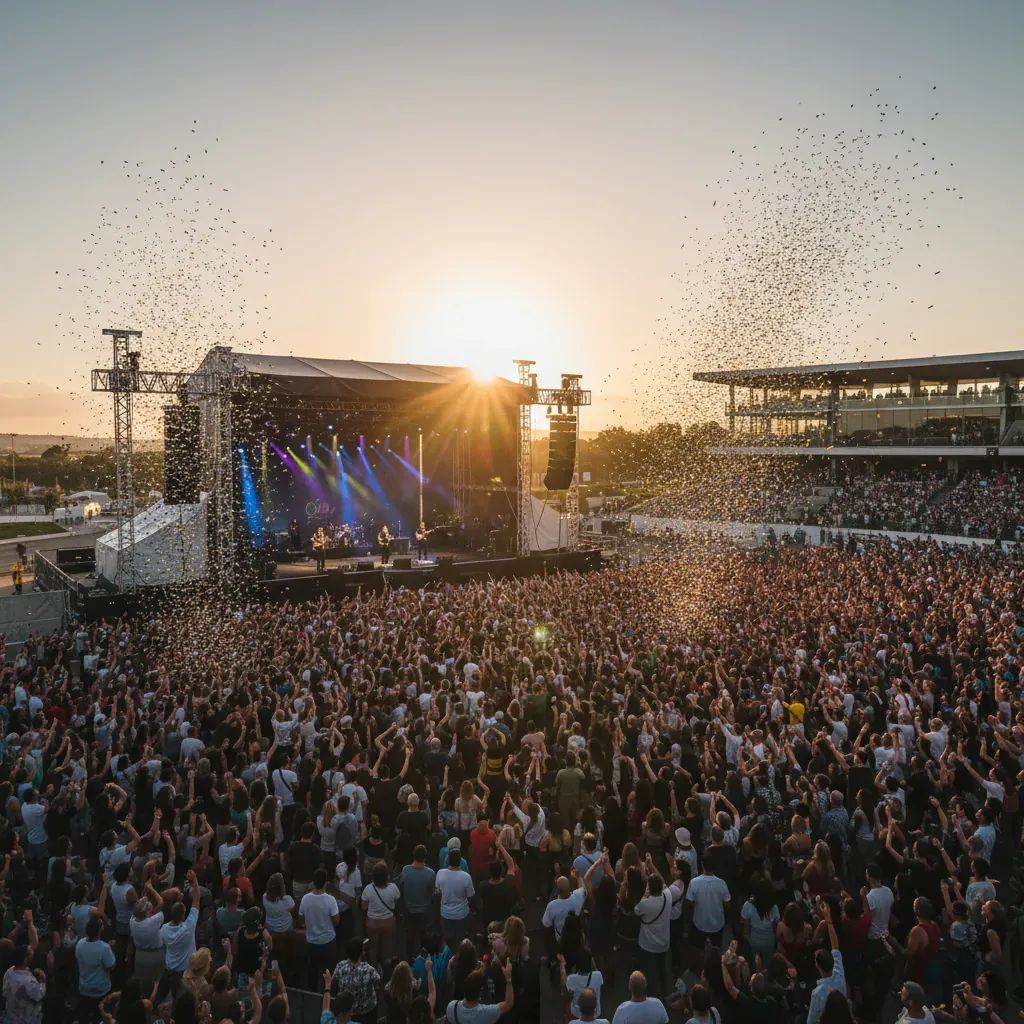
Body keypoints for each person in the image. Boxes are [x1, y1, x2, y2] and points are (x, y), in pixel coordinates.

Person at [806, 900, 847, 1024]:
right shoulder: (839, 972)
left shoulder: (818, 994)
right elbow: (835, 945)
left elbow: (811, 1020)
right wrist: (828, 919)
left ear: (817, 965)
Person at [300, 868, 340, 990]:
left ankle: (311, 992)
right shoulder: (330, 900)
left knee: (312, 969)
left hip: (312, 941)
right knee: (329, 970)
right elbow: (337, 921)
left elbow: (301, 918)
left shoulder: (305, 899)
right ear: (325, 883)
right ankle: (327, 992)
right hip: (328, 941)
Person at [444, 959, 514, 1023]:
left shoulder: (452, 1007)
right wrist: (508, 979)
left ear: (465, 989)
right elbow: (508, 1003)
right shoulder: (487, 1013)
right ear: (480, 994)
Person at [684, 853, 731, 948]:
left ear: (702, 864)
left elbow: (689, 903)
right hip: (717, 924)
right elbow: (727, 904)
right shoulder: (721, 883)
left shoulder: (694, 882)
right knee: (716, 949)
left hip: (699, 922)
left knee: (698, 950)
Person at [75, 916, 115, 1021]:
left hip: (84, 988)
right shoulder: (104, 948)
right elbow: (111, 966)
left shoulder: (80, 943)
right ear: (100, 930)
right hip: (100, 990)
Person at [333, 938, 381, 1024]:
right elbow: (378, 982)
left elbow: (334, 980)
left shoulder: (340, 966)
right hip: (367, 1012)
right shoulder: (368, 970)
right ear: (362, 953)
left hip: (346, 1011)